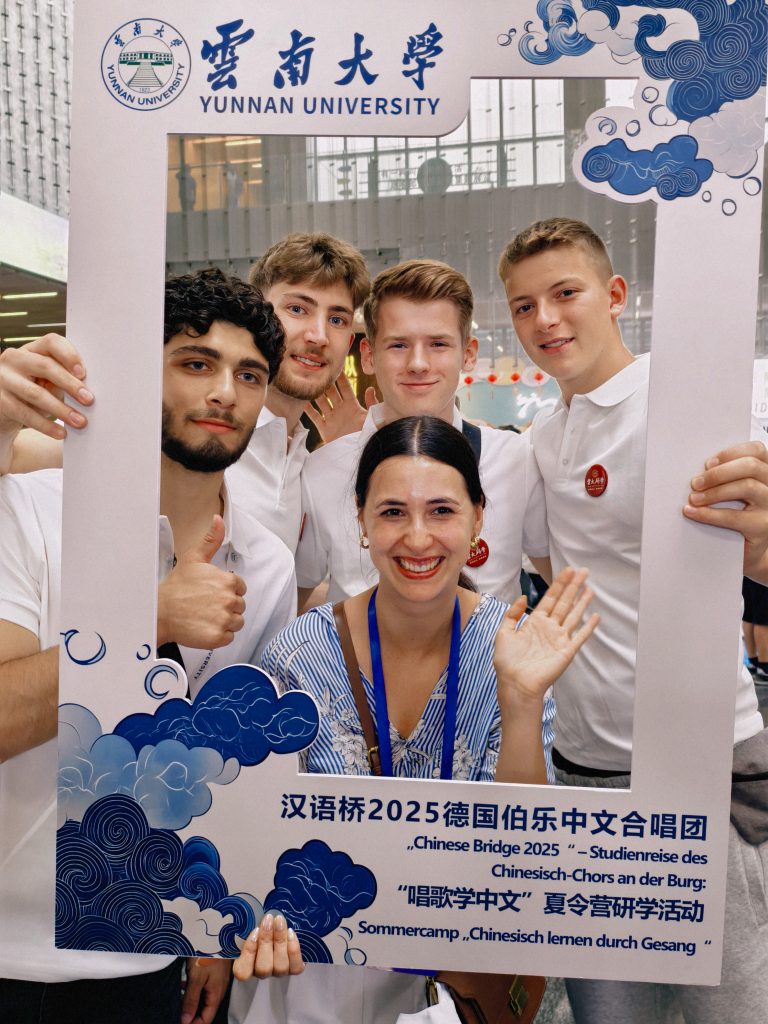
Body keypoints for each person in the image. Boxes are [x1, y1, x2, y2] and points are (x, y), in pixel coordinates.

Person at [230, 415, 599, 1023]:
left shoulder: (511, 648)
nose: (418, 538)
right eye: (393, 512)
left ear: (478, 518)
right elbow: (258, 832)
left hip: (455, 975)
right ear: (361, 520)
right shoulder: (299, 655)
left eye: (442, 511)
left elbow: (525, 846)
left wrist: (522, 699)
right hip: (315, 977)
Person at [0, 268, 296, 1024]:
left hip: (152, 947)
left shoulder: (267, 562)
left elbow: (243, 766)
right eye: (196, 363)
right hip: (11, 946)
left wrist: (221, 921)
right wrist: (147, 620)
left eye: (250, 375)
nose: (225, 392)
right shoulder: (33, 511)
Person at [498, 217, 768, 1023]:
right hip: (587, 771)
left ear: (615, 295)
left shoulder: (693, 400)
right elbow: (552, 571)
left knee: (735, 1007)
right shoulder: (542, 442)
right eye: (523, 306)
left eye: (565, 293)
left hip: (706, 761)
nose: (545, 319)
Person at [0, 232, 372, 553]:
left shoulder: (305, 457)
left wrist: (351, 454)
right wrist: (4, 417)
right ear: (258, 310)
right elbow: (14, 457)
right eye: (298, 309)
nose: (318, 336)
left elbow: (287, 592)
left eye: (337, 319)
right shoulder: (178, 425)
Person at [295, 259, 550, 608]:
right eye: (398, 345)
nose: (418, 364)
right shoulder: (322, 470)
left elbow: (559, 575)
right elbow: (294, 595)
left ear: (468, 354)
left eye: (438, 344)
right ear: (368, 356)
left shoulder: (514, 460)